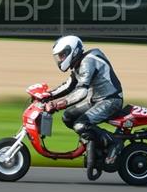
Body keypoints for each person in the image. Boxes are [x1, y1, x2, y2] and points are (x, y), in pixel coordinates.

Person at [38, 35, 124, 165]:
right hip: (96, 100)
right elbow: (69, 85)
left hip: (110, 101)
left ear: (72, 51)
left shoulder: (88, 62)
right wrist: (46, 95)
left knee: (80, 125)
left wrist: (59, 104)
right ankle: (93, 144)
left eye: (62, 55)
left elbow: (81, 91)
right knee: (68, 116)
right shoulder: (80, 64)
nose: (60, 59)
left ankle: (114, 142)